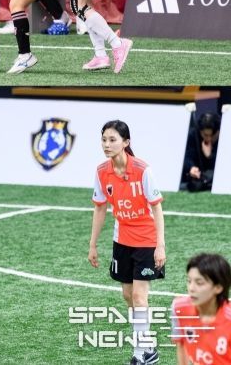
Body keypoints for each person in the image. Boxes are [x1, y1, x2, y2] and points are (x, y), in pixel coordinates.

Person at [88, 120, 165, 365]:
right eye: (104, 139)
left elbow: (157, 208)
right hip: (121, 239)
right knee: (128, 295)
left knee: (140, 297)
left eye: (112, 140)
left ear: (126, 142)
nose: (107, 144)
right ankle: (147, 344)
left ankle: (141, 354)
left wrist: (160, 245)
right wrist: (93, 244)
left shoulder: (143, 170)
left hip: (146, 240)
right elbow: (100, 208)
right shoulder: (102, 172)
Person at [172, 253, 231, 364]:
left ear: (218, 287)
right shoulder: (179, 308)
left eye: (199, 283)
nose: (191, 288)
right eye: (189, 281)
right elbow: (181, 344)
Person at [181, 112, 220, 192]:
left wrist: (209, 156)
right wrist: (191, 167)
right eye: (205, 135)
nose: (209, 139)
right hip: (197, 173)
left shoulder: (224, 137)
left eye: (212, 135)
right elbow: (187, 156)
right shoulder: (193, 135)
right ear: (200, 131)